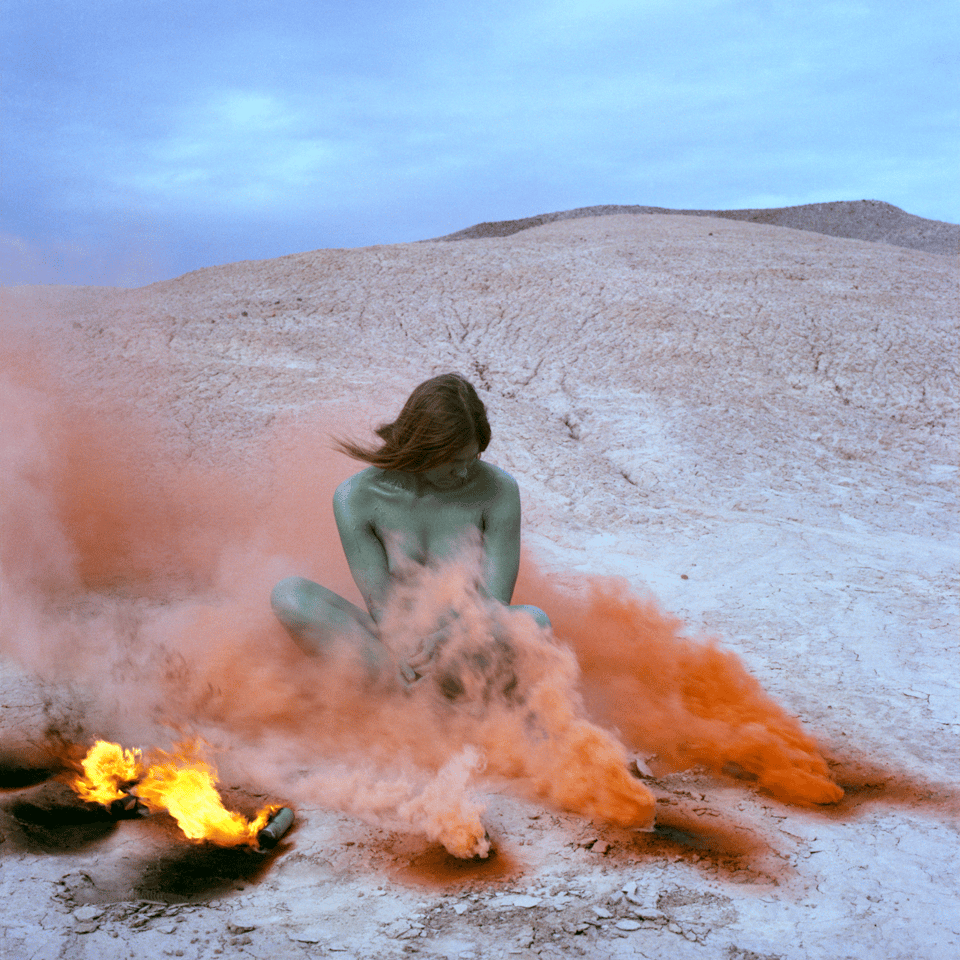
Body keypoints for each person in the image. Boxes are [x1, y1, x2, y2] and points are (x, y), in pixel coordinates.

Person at [270, 373, 550, 688]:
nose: (464, 471)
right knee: (290, 596)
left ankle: (420, 702)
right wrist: (408, 652)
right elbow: (382, 608)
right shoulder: (357, 498)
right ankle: (418, 700)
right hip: (397, 655)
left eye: (473, 459)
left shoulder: (498, 490)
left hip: (470, 650)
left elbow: (494, 605)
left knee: (533, 622)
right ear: (423, 447)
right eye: (453, 461)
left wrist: (446, 639)